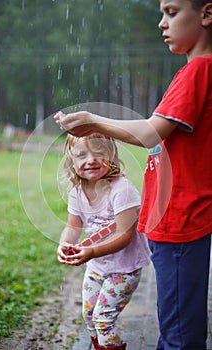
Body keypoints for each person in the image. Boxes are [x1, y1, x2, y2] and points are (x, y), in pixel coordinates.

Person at [54, 1, 212, 349]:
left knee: (180, 334)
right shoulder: (193, 72)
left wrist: (94, 120)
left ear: (206, 13)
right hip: (175, 218)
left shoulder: (198, 71)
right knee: (175, 321)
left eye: (171, 12)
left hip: (182, 218)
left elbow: (150, 133)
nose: (161, 23)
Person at [57, 133, 150, 350]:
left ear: (112, 156)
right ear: (72, 161)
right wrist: (64, 244)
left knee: (103, 319)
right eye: (82, 154)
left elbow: (124, 235)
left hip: (124, 269)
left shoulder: (122, 189)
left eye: (99, 153)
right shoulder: (77, 192)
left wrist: (91, 252)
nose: (91, 159)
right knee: (89, 316)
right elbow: (73, 227)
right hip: (97, 267)